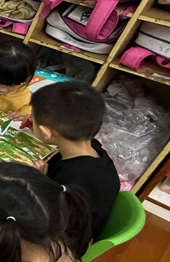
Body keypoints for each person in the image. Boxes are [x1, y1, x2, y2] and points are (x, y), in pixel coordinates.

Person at [29, 81, 120, 238]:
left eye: (32, 118)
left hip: (58, 241)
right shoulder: (92, 147)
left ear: (46, 131)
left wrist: (39, 182)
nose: (30, 119)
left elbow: (45, 219)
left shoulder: (73, 178)